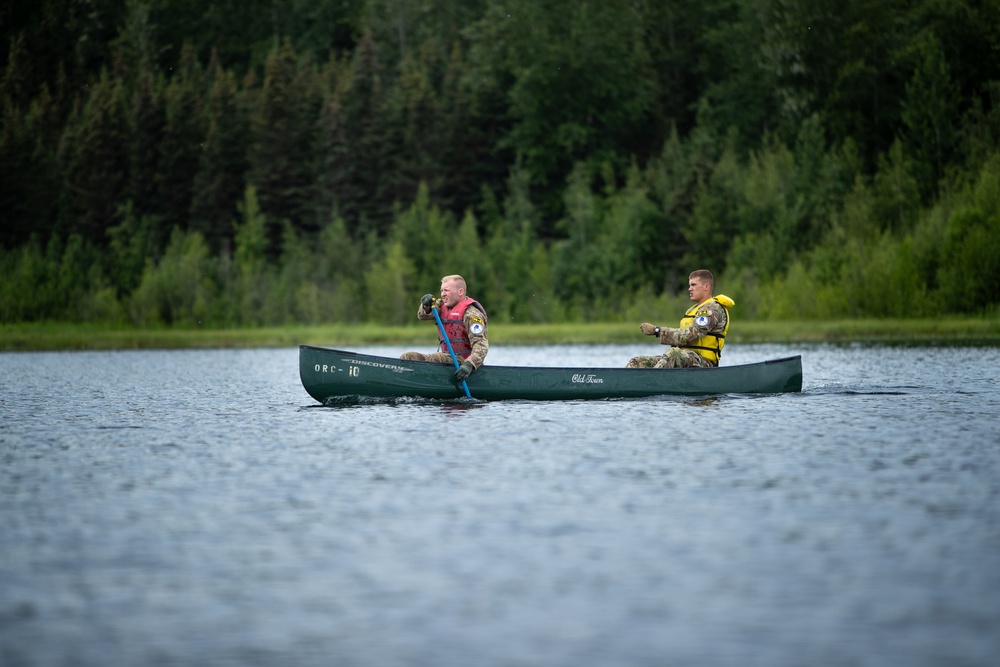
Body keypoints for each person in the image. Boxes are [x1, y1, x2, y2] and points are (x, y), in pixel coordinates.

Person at [626, 269, 734, 369]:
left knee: (674, 354)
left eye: (693, 285)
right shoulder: (694, 309)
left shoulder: (712, 309)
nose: (689, 289)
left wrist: (657, 330)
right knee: (638, 362)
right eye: (689, 285)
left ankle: (651, 383)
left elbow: (690, 336)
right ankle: (623, 384)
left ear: (706, 286)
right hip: (685, 359)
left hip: (704, 364)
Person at [400, 274, 489, 380]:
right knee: (408, 357)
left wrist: (469, 365)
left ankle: (428, 382)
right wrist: (426, 305)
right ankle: (406, 381)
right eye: (441, 291)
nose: (443, 294)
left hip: (463, 364)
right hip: (446, 359)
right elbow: (422, 315)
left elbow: (481, 345)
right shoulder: (441, 305)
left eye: (446, 290)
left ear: (460, 292)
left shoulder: (471, 314)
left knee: (436, 358)